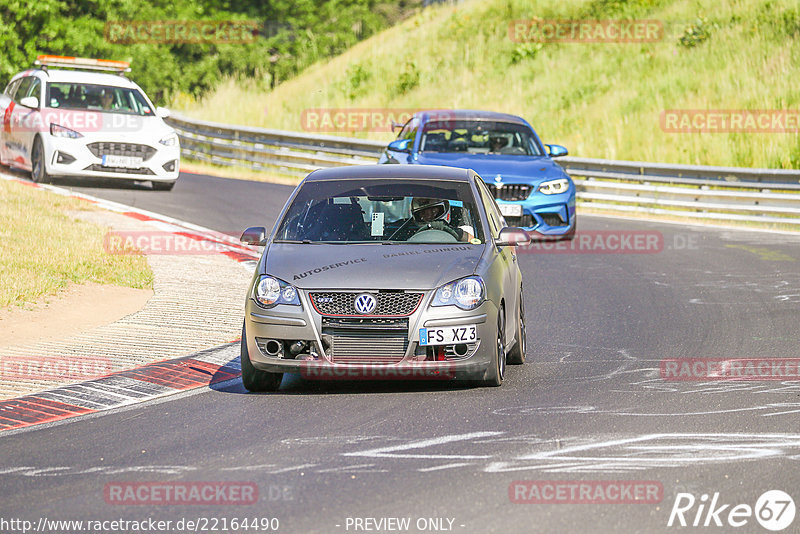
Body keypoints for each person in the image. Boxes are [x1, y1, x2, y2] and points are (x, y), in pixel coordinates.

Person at [409, 198, 475, 242]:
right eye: (422, 213)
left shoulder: (464, 226)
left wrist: (459, 233)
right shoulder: (406, 231)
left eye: (433, 210)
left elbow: (474, 242)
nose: (428, 216)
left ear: (445, 207)